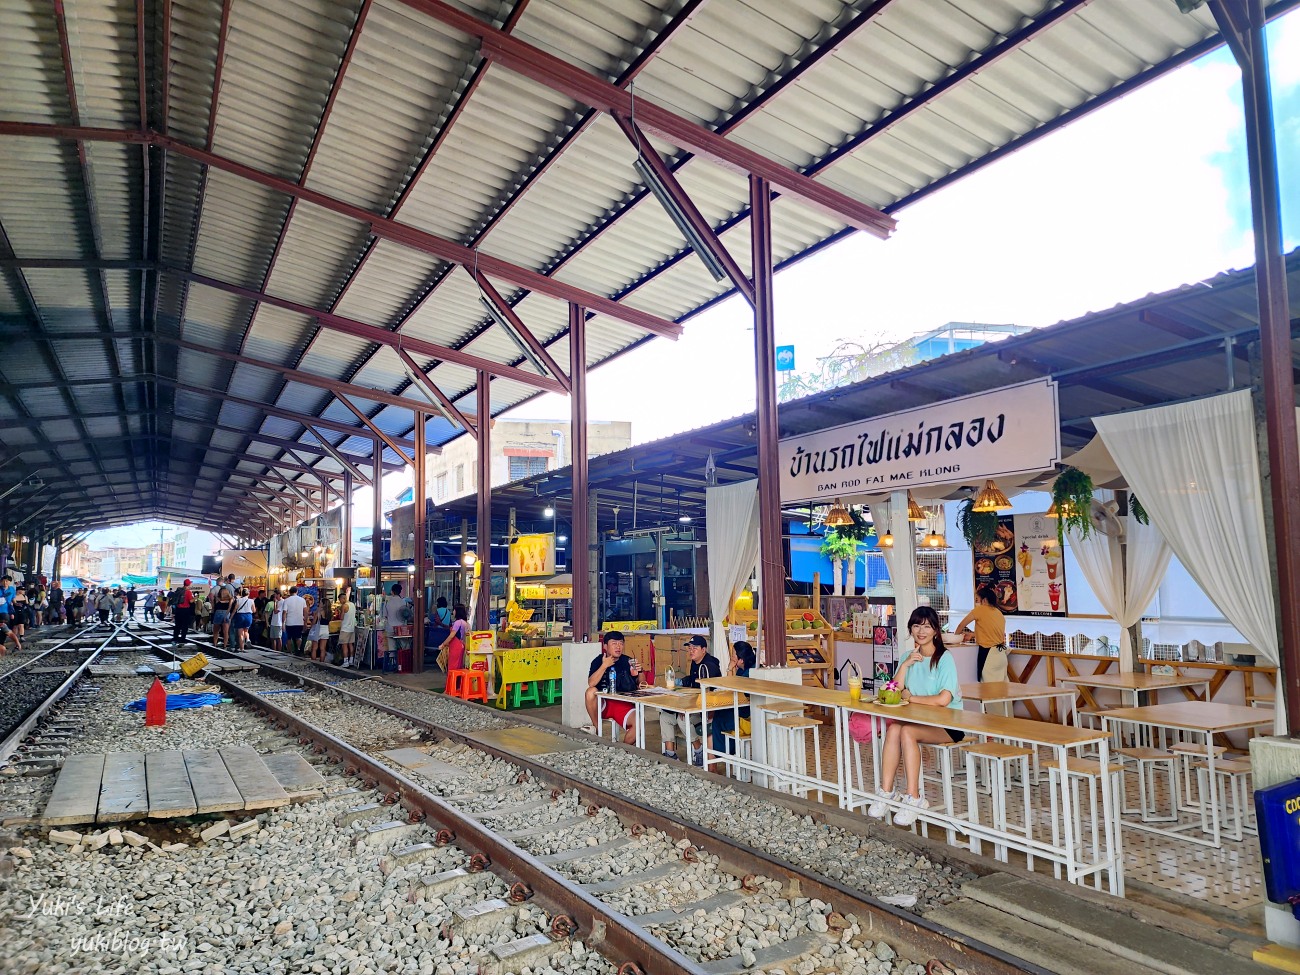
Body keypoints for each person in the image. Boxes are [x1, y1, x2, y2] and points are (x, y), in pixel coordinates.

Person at [866, 606, 964, 827]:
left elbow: (943, 700)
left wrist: (911, 698)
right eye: (917, 625)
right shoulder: (907, 657)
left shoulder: (945, 659)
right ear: (911, 628)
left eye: (927, 626)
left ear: (936, 630)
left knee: (907, 731)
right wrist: (906, 665)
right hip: (921, 721)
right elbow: (893, 690)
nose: (921, 630)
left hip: (949, 724)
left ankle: (914, 798)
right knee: (894, 729)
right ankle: (887, 792)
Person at [659, 635, 722, 765]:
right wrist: (681, 681)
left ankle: (699, 751)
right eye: (690, 648)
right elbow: (693, 681)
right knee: (665, 716)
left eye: (695, 648)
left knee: (682, 719)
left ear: (703, 649)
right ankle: (670, 754)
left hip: (708, 711)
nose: (691, 651)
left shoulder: (709, 666)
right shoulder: (695, 663)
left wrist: (686, 707)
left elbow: (705, 693)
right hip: (695, 706)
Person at [584, 631, 641, 743]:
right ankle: (597, 728)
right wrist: (604, 665)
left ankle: (622, 750)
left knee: (639, 724)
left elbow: (642, 683)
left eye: (621, 643)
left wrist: (639, 672)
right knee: (590, 691)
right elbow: (591, 683)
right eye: (614, 643)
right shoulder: (598, 661)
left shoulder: (628, 660)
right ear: (605, 646)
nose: (618, 646)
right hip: (604, 703)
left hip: (623, 703)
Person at [709, 641, 757, 758]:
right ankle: (722, 753)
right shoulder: (743, 670)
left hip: (747, 714)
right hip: (740, 707)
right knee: (717, 715)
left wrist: (729, 668)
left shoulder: (749, 673)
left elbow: (730, 689)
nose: (731, 657)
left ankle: (722, 753)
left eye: (734, 654)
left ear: (741, 659)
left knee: (718, 718)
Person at [955, 585, 1009, 684]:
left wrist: (955, 638)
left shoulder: (980, 610)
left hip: (988, 655)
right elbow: (990, 631)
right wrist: (972, 634)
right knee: (1002, 688)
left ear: (984, 600)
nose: (976, 603)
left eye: (977, 600)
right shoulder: (998, 613)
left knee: (988, 690)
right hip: (1001, 655)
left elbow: (961, 625)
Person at [382, 583, 410, 664]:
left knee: (391, 647)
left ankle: (392, 662)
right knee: (404, 646)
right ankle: (404, 662)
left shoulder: (387, 602)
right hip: (401, 629)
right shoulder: (404, 603)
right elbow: (407, 616)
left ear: (392, 592)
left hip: (390, 628)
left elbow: (385, 616)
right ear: (400, 592)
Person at [437, 603, 468, 673]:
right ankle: (457, 683)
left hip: (456, 646)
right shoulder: (465, 623)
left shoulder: (457, 622)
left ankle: (452, 683)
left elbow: (451, 636)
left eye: (454, 610)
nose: (453, 612)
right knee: (459, 666)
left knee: (453, 667)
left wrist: (443, 644)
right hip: (461, 645)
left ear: (457, 611)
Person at [211, 575, 236, 649]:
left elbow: (213, 600)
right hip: (226, 614)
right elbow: (230, 606)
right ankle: (225, 645)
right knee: (226, 632)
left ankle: (215, 644)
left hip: (218, 613)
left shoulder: (218, 599)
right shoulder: (230, 600)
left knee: (216, 631)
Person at [281, 586, 307, 655]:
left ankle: (290, 651)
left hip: (289, 622)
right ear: (297, 591)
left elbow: (284, 612)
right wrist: (305, 622)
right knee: (298, 637)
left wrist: (283, 623)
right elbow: (305, 612)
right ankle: (298, 649)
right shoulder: (302, 600)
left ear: (289, 592)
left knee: (289, 638)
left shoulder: (286, 600)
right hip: (299, 622)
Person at [232, 587, 255, 652]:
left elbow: (235, 610)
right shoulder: (251, 600)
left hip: (240, 616)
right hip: (248, 616)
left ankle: (242, 648)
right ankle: (247, 639)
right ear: (248, 593)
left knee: (240, 634)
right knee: (246, 631)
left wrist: (231, 617)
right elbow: (254, 610)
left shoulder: (238, 600)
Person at [338, 593, 357, 667]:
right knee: (350, 644)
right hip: (352, 628)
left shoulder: (344, 606)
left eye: (340, 600)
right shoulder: (352, 605)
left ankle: (346, 661)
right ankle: (351, 660)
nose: (340, 602)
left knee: (344, 645)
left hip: (345, 628)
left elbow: (341, 617)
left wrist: (340, 612)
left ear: (343, 598)